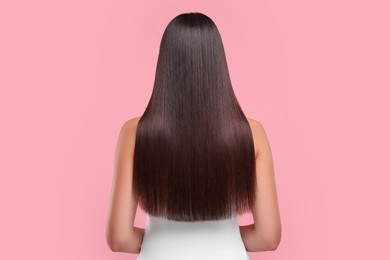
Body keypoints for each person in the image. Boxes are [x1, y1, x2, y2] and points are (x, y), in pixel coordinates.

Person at [105, 12, 282, 259]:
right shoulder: (251, 134)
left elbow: (119, 238)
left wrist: (164, 239)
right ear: (217, 62)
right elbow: (268, 236)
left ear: (165, 64)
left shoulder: (134, 134)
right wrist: (221, 238)